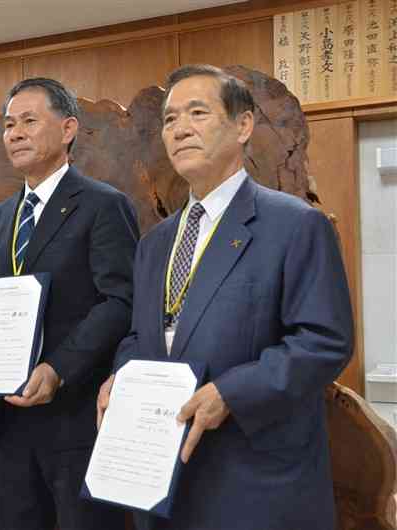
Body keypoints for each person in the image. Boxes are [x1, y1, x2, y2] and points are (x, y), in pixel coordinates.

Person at [98, 64, 353, 530]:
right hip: (163, 476)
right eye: (170, 119)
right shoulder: (156, 242)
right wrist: (122, 375)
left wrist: (231, 393)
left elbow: (323, 341)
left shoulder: (294, 225)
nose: (179, 129)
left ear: (243, 125)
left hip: (253, 479)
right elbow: (143, 334)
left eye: (198, 112)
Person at [0, 77, 139, 530]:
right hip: (11, 424)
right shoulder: (0, 217)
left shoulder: (103, 205)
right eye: (9, 124)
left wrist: (58, 367)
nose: (13, 134)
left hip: (75, 419)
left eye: (29, 121)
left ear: (68, 128)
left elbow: (121, 301)